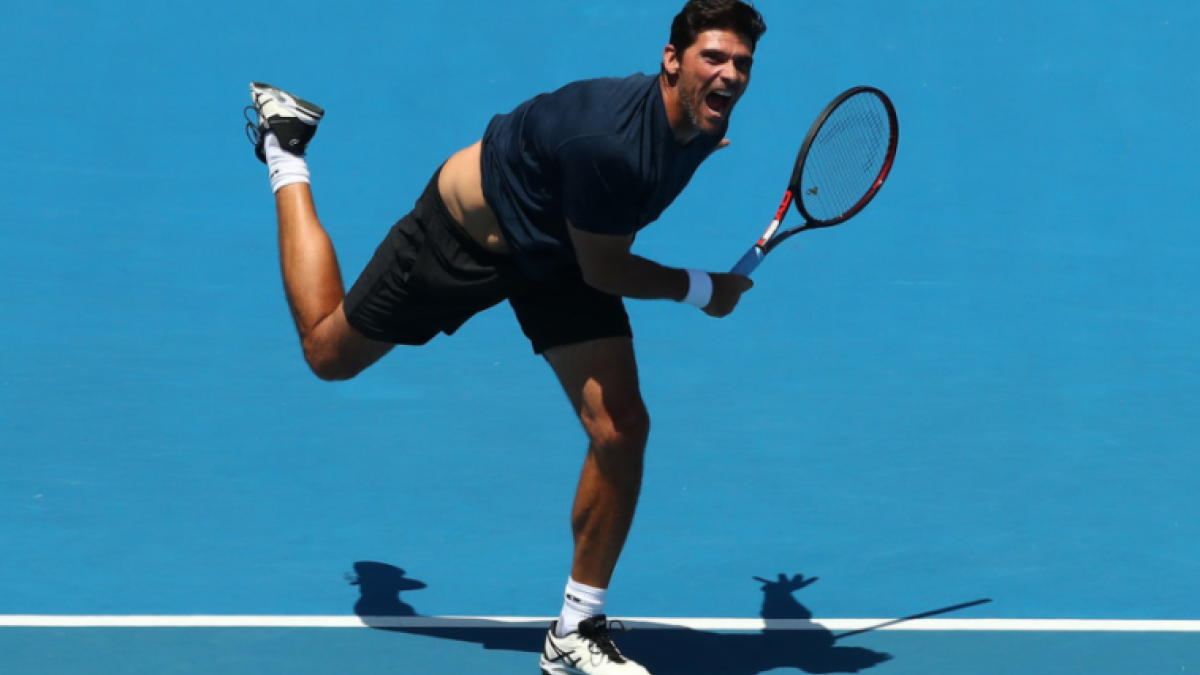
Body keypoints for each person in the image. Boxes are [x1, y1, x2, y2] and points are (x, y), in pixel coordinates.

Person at [244, 1, 766, 672]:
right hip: (468, 237)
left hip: (563, 250)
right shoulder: (610, 144)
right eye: (713, 59)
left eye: (742, 64)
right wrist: (704, 289)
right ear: (672, 60)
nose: (729, 75)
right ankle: (284, 147)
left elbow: (595, 252)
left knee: (621, 426)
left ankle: (576, 629)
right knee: (327, 352)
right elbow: (606, 267)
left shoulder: (699, 120)